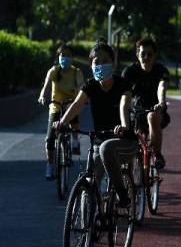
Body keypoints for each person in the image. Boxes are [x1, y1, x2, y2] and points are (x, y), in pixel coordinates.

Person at [54, 38, 137, 207]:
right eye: (96, 62)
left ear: (113, 64)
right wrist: (62, 122)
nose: (100, 65)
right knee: (92, 180)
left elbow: (124, 105)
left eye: (105, 61)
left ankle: (123, 195)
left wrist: (124, 127)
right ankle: (91, 227)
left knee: (106, 148)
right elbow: (77, 104)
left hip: (124, 141)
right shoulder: (90, 85)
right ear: (90, 65)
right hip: (99, 142)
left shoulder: (123, 84)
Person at [121, 37, 170, 169]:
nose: (146, 57)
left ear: (155, 56)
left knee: (152, 116)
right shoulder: (129, 72)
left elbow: (162, 86)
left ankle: (157, 154)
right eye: (143, 54)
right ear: (137, 54)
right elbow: (123, 96)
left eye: (150, 54)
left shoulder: (160, 70)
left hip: (156, 111)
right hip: (136, 112)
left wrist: (161, 102)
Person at [38, 44, 84, 180]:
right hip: (56, 107)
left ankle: (75, 141)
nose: (65, 58)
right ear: (58, 57)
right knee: (50, 139)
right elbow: (46, 86)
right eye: (62, 55)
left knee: (74, 121)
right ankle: (50, 165)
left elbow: (82, 86)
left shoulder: (76, 72)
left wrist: (82, 98)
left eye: (68, 55)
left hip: (71, 106)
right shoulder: (53, 71)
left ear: (72, 58)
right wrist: (42, 96)